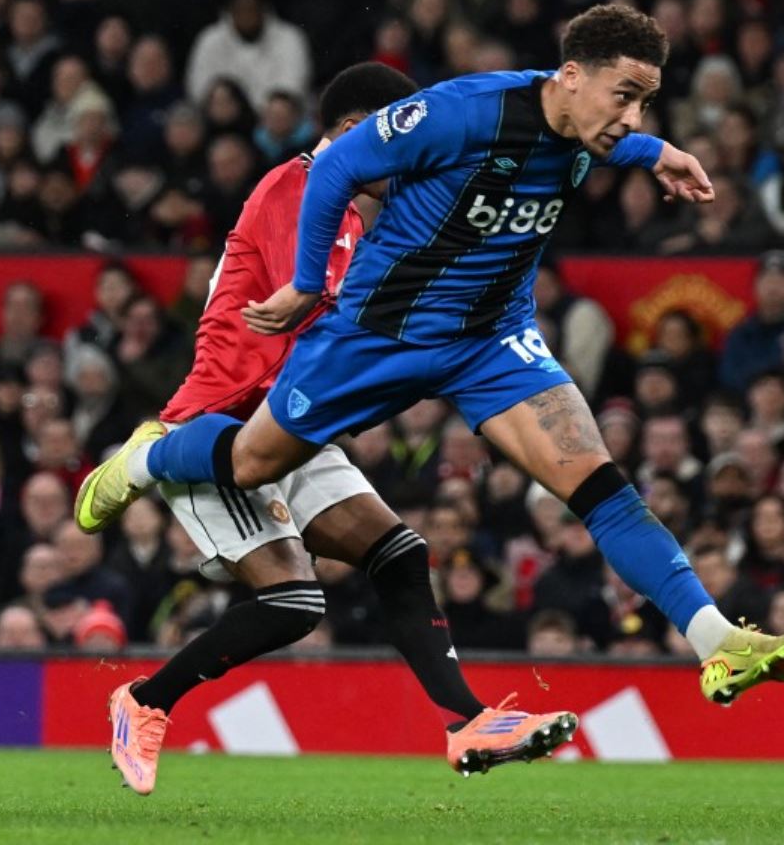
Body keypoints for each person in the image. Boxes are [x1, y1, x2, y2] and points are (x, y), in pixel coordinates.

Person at [75, 7, 784, 708]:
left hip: (492, 340)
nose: (632, 118)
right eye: (625, 97)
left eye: (646, 103)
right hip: (379, 333)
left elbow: (615, 136)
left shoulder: (592, 124)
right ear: (570, 76)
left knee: (602, 488)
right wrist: (306, 286)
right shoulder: (462, 110)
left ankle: (716, 641)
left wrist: (660, 152)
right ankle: (145, 459)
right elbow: (334, 172)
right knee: (250, 464)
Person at [86, 64, 575, 793]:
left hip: (290, 422)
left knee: (400, 555)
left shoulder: (350, 211)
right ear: (354, 134)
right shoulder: (298, 187)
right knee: (293, 603)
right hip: (220, 427)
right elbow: (310, 303)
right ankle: (144, 697)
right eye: (398, 141)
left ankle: (467, 721)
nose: (414, 159)